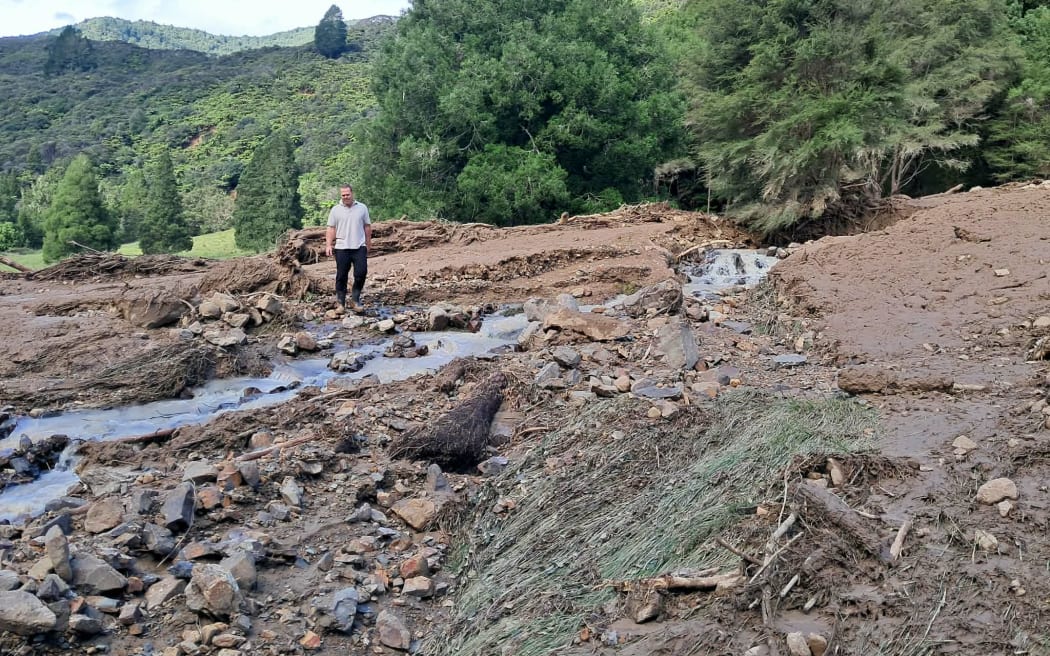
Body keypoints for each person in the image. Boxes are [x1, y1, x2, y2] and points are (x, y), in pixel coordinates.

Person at [325, 184, 372, 312]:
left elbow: (367, 226)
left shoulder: (362, 208)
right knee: (341, 275)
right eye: (343, 195)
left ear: (352, 194)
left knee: (361, 273)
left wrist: (368, 243)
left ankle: (355, 300)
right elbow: (331, 228)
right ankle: (341, 303)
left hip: (359, 246)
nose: (345, 197)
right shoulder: (335, 210)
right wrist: (329, 244)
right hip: (341, 247)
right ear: (341, 196)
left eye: (347, 194)